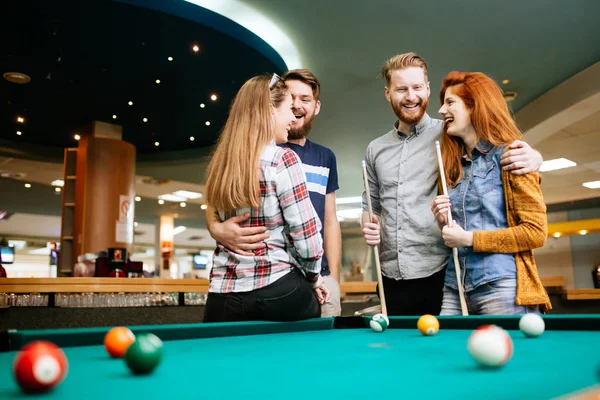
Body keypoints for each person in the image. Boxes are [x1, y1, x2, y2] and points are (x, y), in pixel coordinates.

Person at [361, 52, 544, 316]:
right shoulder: (376, 149)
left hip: (443, 271)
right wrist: (368, 222)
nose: (410, 96)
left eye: (417, 88)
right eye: (401, 89)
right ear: (388, 93)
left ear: (427, 88)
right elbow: (371, 204)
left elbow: (492, 143)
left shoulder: (446, 134)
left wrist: (535, 157)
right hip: (396, 275)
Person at [205, 69, 342, 317]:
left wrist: (215, 228)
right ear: (270, 111)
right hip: (276, 289)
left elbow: (212, 213)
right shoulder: (283, 158)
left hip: (220, 295)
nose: (293, 115)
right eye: (289, 107)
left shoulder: (223, 161)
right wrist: (314, 278)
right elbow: (308, 242)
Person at [430, 71, 551, 315]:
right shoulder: (450, 165)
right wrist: (443, 221)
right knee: (444, 352)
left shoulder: (512, 156)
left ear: (475, 106)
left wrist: (469, 239)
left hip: (502, 285)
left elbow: (535, 233)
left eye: (450, 102)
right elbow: (454, 230)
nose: (442, 111)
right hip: (456, 286)